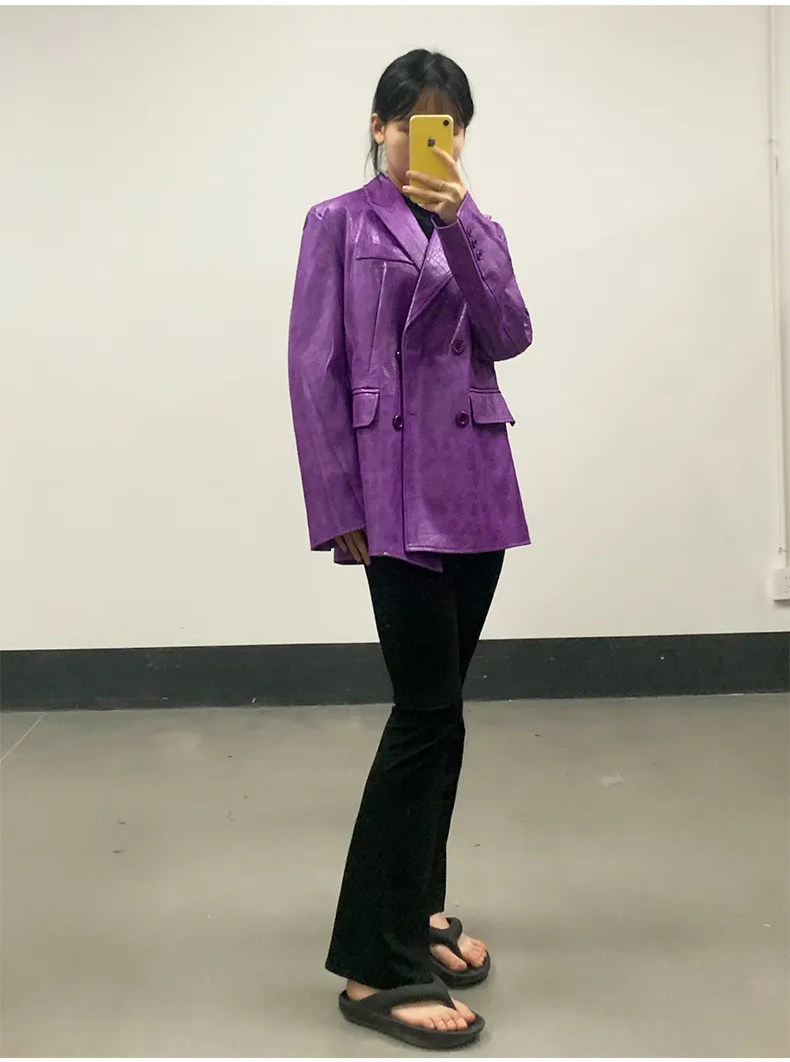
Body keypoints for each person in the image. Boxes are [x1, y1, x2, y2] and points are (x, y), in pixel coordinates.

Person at [287, 48, 533, 1051]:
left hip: (474, 483)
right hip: (391, 493)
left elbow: (510, 334)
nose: (435, 137)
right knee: (423, 715)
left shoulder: (477, 225)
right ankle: (373, 965)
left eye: (452, 124)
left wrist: (462, 223)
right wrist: (335, 500)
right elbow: (314, 369)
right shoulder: (337, 224)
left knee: (445, 713)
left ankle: (417, 908)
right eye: (417, 121)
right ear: (380, 126)